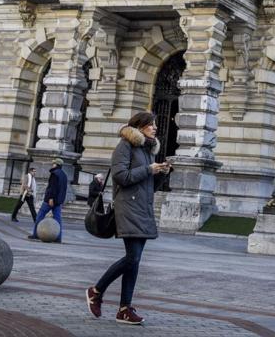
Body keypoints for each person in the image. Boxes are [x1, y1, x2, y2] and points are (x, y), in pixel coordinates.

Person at [87, 111, 171, 326]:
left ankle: (124, 308)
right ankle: (96, 291)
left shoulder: (147, 150)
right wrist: (147, 169)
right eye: (151, 125)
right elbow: (121, 177)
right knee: (132, 258)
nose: (155, 128)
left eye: (154, 125)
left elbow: (149, 186)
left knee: (134, 261)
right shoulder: (125, 146)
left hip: (143, 208)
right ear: (139, 126)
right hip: (128, 208)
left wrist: (160, 173)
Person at [30, 157, 69, 242]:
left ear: (56, 165)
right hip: (58, 201)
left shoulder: (55, 174)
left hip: (50, 200)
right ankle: (58, 238)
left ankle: (36, 234)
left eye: (53, 163)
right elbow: (63, 189)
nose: (52, 165)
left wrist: (51, 198)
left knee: (40, 216)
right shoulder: (64, 175)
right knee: (58, 219)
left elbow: (52, 188)